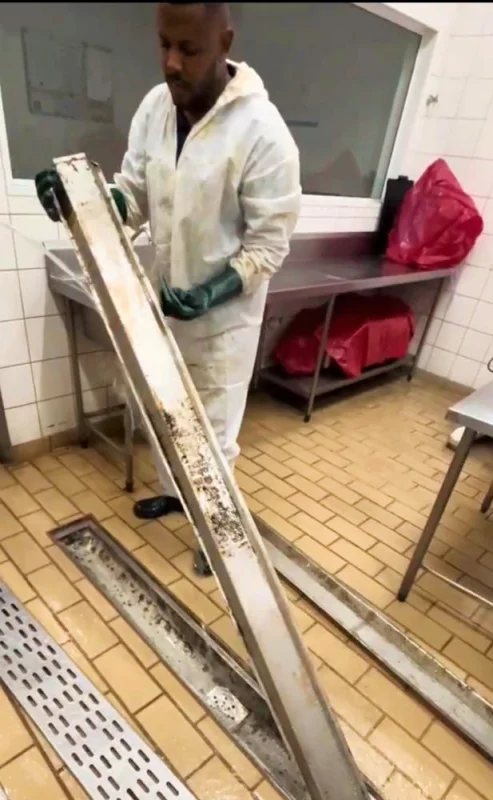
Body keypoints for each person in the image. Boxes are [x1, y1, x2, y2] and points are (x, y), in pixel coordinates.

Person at [35, 1, 301, 576]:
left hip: (222, 322)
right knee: (162, 414)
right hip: (163, 307)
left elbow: (268, 246)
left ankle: (218, 532)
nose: (172, 62)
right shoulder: (156, 108)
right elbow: (133, 195)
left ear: (224, 42)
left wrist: (212, 292)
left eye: (189, 48)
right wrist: (81, 201)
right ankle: (178, 497)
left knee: (214, 435)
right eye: (164, 44)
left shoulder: (263, 133)